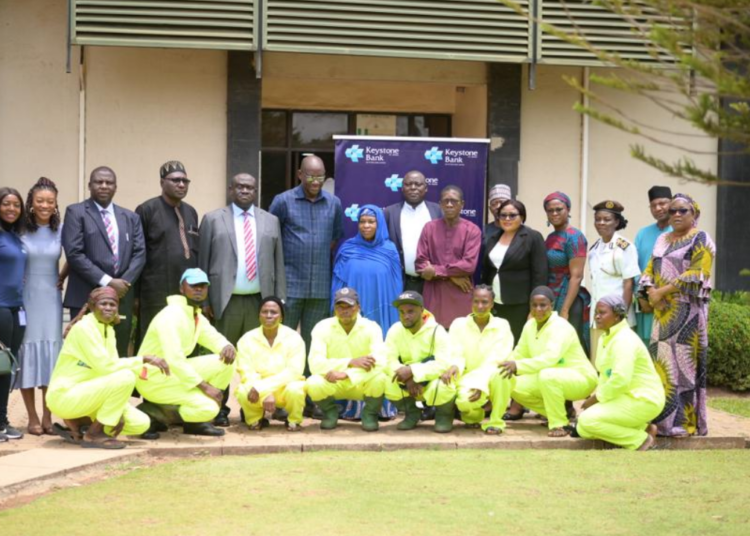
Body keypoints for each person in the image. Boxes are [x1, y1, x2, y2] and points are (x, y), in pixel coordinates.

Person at [199, 172, 286, 426]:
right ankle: (218, 409)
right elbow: (202, 263)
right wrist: (204, 302)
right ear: (230, 190)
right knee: (222, 357)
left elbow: (278, 263)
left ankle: (253, 409)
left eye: (250, 187)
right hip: (224, 302)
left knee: (257, 359)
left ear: (256, 191)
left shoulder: (271, 221)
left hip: (260, 302)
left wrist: (278, 300)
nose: (245, 191)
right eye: (240, 187)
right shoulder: (213, 219)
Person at [47, 287, 169, 449]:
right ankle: (93, 434)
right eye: (103, 304)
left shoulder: (108, 330)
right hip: (65, 396)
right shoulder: (83, 329)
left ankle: (82, 426)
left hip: (91, 395)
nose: (108, 308)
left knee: (141, 423)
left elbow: (111, 369)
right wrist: (143, 359)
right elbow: (106, 367)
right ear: (91, 306)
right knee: (126, 377)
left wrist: (115, 410)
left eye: (113, 305)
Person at [639, 193, 715, 437]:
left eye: (683, 210)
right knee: (662, 367)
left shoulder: (701, 238)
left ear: (695, 214)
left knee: (684, 368)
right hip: (662, 315)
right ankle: (661, 423)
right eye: (673, 211)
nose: (677, 215)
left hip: (687, 313)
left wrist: (661, 292)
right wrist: (650, 292)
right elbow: (650, 267)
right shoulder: (662, 239)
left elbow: (697, 274)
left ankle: (684, 423)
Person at [136, 268, 236, 438]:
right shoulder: (171, 315)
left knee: (227, 361)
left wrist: (227, 346)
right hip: (152, 378)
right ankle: (150, 414)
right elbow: (175, 360)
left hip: (171, 374)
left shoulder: (194, 315)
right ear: (182, 289)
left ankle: (194, 422)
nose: (198, 289)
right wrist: (206, 387)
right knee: (209, 408)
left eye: (203, 286)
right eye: (193, 285)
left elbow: (214, 338)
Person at [62, 166, 146, 357]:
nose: (104, 186)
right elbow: (74, 253)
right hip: (86, 292)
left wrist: (122, 283)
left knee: (119, 351)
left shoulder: (131, 217)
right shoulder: (76, 213)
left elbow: (140, 253)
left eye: (109, 183)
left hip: (122, 297)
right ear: (89, 185)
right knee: (86, 355)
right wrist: (108, 282)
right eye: (99, 182)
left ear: (116, 187)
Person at [332, 204, 402, 420]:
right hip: (351, 313)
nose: (366, 225)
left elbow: (396, 284)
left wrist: (393, 314)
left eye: (371, 221)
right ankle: (352, 405)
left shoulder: (389, 250)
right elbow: (337, 281)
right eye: (362, 221)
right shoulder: (347, 248)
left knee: (378, 353)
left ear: (379, 223)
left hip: (381, 313)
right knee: (354, 351)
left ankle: (380, 407)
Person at [497, 286, 597, 437]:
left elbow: (550, 358)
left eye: (543, 305)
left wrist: (518, 366)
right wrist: (503, 365)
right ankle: (558, 413)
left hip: (581, 379)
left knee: (547, 375)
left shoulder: (561, 326)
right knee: (509, 382)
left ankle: (559, 425)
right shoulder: (530, 325)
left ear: (552, 305)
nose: (538, 309)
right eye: (534, 305)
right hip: (550, 377)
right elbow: (519, 352)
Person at [269, 155, 344, 355]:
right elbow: (271, 238)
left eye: (321, 177)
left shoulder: (334, 203)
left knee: (314, 342)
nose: (316, 182)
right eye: (311, 177)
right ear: (300, 175)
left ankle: (310, 384)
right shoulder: (283, 201)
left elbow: (334, 238)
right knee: (283, 339)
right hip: (290, 285)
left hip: (319, 288)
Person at [577, 295, 664, 451]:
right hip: (625, 397)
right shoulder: (607, 337)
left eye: (602, 312)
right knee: (583, 428)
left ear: (617, 316)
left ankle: (641, 440)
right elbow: (606, 376)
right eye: (596, 312)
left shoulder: (624, 340)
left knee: (587, 421)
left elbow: (620, 380)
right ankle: (643, 429)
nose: (597, 316)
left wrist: (596, 399)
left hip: (644, 400)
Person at [17, 178, 64, 436]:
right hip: (26, 296)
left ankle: (48, 416)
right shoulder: (19, 229)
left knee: (51, 355)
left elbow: (76, 254)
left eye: (50, 201)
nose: (45, 205)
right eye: (40, 201)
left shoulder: (62, 229)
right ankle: (32, 417)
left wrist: (63, 276)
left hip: (51, 296)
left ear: (56, 204)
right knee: (28, 351)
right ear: (31, 203)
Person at [135, 160, 199, 346]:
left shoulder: (191, 212)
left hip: (185, 292)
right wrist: (136, 296)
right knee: (155, 339)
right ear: (162, 182)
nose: (181, 184)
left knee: (184, 339)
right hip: (155, 292)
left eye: (185, 181)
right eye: (175, 180)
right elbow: (138, 254)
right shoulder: (147, 210)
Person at [306, 288, 388, 432]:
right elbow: (315, 363)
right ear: (334, 308)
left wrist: (348, 374)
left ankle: (369, 414)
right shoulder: (322, 327)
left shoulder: (371, 327)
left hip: (360, 383)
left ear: (358, 307)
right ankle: (330, 413)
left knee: (380, 378)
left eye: (349, 306)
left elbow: (380, 361)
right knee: (313, 383)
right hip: (334, 381)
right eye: (340, 306)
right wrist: (350, 362)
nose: (345, 311)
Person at [384, 291, 457, 433]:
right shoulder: (395, 329)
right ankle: (412, 414)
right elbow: (387, 359)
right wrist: (407, 378)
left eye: (411, 311)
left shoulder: (437, 330)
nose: (406, 316)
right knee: (386, 382)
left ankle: (444, 416)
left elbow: (443, 364)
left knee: (443, 385)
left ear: (422, 310)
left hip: (431, 379)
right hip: (407, 380)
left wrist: (413, 371)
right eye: (402, 312)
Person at [480, 199, 548, 343]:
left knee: (516, 342)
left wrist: (534, 308)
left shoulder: (532, 237)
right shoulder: (493, 238)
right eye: (503, 215)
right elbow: (487, 270)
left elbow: (540, 274)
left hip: (520, 304)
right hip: (495, 303)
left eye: (512, 215)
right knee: (496, 343)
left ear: (522, 217)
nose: (507, 219)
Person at [235, 297, 306, 431]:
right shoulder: (246, 339)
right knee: (242, 390)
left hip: (283, 389)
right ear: (258, 315)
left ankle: (294, 420)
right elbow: (246, 372)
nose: (268, 315)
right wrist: (264, 392)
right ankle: (255, 419)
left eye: (274, 312)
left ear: (281, 317)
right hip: (257, 390)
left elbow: (294, 371)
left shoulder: (294, 338)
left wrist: (263, 387)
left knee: (296, 389)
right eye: (264, 311)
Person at [415, 185, 482, 328]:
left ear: (462, 204)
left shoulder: (472, 230)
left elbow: (469, 265)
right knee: (431, 334)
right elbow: (420, 264)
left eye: (454, 201)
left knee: (459, 337)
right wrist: (452, 275)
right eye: (445, 201)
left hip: (460, 293)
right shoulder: (429, 228)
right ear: (440, 204)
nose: (449, 204)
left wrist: (436, 271)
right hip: (433, 293)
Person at [451, 286, 514, 434]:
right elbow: (456, 353)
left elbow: (497, 358)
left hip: (491, 376)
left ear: (492, 304)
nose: (480, 306)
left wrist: (480, 383)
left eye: (485, 302)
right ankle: (474, 416)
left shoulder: (502, 325)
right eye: (476, 301)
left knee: (503, 374)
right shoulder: (458, 324)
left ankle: (496, 421)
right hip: (466, 378)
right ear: (471, 302)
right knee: (465, 403)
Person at [587, 200, 640, 362]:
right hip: (597, 316)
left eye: (607, 219)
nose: (601, 223)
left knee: (617, 363)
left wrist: (620, 316)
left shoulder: (624, 247)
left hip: (616, 317)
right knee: (599, 362)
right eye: (598, 219)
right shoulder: (595, 249)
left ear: (617, 222)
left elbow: (628, 284)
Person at [543, 191, 591, 353]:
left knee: (568, 346)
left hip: (568, 298)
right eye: (550, 210)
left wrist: (565, 309)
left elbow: (577, 277)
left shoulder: (575, 237)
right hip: (551, 294)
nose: (554, 213)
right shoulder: (550, 237)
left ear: (568, 210)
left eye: (559, 209)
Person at [383, 170, 442, 293]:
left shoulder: (438, 211)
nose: (413, 188)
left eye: (418, 184)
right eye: (408, 184)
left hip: (432, 282)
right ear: (402, 188)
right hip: (400, 282)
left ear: (425, 188)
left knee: (430, 313)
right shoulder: (390, 212)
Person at [0, 187, 26, 441]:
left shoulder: (15, 236)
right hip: (1, 308)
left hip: (18, 309)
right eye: (6, 204)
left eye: (16, 205)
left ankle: (2, 420)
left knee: (9, 368)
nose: (11, 209)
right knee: (0, 367)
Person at [634, 185, 673, 345]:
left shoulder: (681, 233)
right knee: (644, 347)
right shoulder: (643, 233)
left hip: (670, 302)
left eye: (663, 203)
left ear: (672, 203)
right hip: (646, 304)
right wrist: (642, 296)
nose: (658, 208)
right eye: (654, 205)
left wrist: (660, 295)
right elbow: (634, 268)